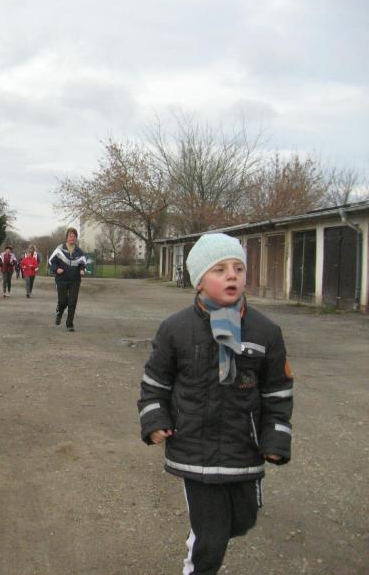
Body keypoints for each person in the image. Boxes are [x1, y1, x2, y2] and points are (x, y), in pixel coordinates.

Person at [137, 233, 293, 575]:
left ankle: (205, 535)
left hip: (243, 447)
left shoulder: (266, 331)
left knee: (242, 520)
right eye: (220, 269)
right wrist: (154, 420)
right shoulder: (175, 329)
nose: (232, 275)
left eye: (238, 268)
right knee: (212, 536)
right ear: (199, 281)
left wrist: (276, 438)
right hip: (194, 446)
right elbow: (155, 384)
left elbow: (277, 392)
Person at [48, 228, 86, 331]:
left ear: (76, 238)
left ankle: (69, 324)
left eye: (74, 236)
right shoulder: (60, 249)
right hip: (62, 279)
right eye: (70, 236)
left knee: (72, 302)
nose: (72, 238)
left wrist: (82, 269)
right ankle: (59, 312)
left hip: (75, 280)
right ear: (67, 237)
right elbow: (51, 261)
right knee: (63, 301)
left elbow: (83, 263)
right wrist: (56, 269)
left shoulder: (79, 251)